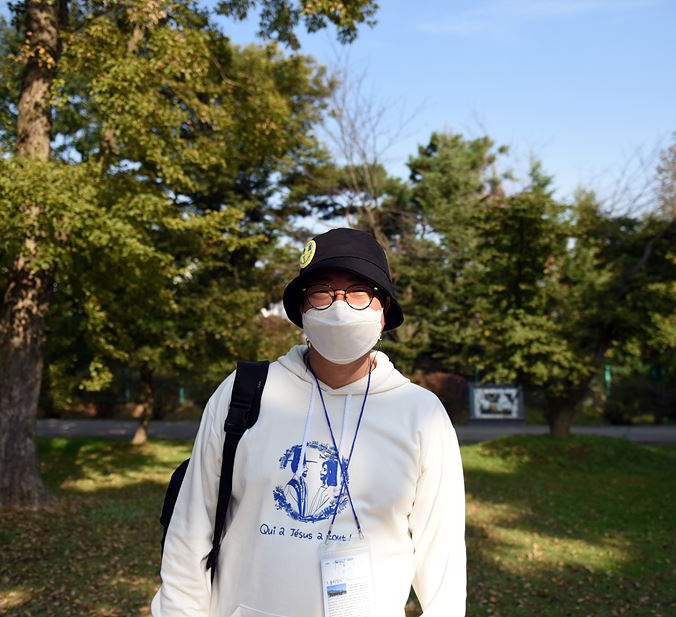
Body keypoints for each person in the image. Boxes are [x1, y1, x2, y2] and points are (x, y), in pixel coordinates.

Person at [152, 228, 466, 617]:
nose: (339, 306)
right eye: (322, 291)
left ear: (383, 309)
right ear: (303, 307)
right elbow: (189, 529)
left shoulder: (420, 414)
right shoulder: (246, 391)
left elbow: (443, 558)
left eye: (358, 292)